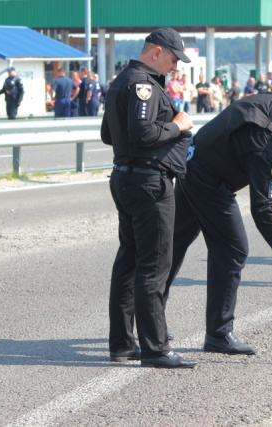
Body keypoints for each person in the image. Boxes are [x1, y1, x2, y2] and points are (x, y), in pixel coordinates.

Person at [164, 94, 272, 354]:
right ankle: (219, 334)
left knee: (174, 242)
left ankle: (149, 318)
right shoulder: (268, 145)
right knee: (233, 249)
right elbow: (263, 209)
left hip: (192, 159)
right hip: (207, 178)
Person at [101, 27, 196, 369]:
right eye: (173, 58)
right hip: (148, 182)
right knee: (154, 264)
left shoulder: (119, 81)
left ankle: (122, 343)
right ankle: (155, 348)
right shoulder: (143, 84)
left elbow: (107, 134)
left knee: (128, 261)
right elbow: (143, 133)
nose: (175, 66)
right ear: (156, 52)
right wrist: (179, 125)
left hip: (125, 177)